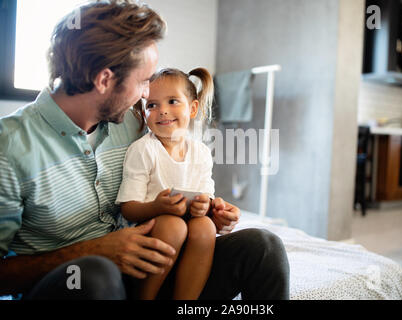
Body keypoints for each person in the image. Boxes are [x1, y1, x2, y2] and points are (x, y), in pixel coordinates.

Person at [0, 0, 290, 300]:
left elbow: (174, 176)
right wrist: (93, 251)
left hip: (150, 270)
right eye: (143, 83)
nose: (146, 96)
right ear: (104, 80)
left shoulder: (136, 121)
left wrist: (206, 211)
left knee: (263, 247)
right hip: (76, 286)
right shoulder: (9, 147)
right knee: (95, 276)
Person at [116, 67, 217, 300]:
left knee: (205, 227)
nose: (162, 111)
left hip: (186, 232)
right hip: (150, 232)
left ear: (192, 109)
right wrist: (157, 207)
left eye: (172, 101)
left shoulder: (200, 152)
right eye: (151, 105)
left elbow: (206, 196)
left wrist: (206, 206)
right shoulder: (143, 150)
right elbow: (128, 208)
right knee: (174, 225)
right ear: (144, 112)